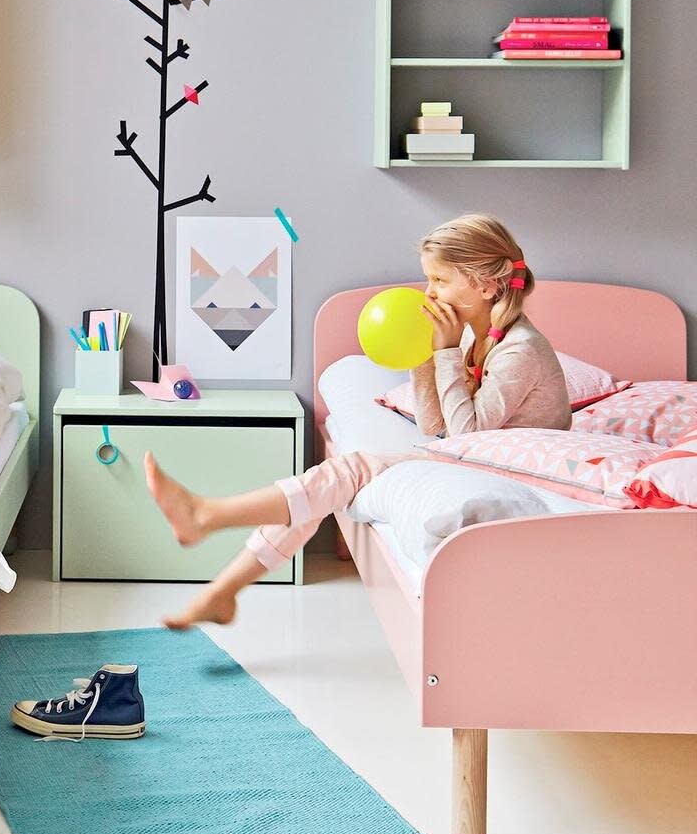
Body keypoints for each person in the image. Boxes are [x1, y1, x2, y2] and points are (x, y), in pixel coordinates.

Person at [145, 213, 571, 629]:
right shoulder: (475, 337)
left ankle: (208, 521)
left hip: (522, 469)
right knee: (336, 477)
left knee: (345, 472)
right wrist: (424, 354)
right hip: (481, 454)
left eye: (440, 280)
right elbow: (433, 425)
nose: (429, 292)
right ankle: (220, 584)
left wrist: (443, 354)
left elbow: (465, 435)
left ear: (486, 285)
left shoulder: (520, 349)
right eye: (429, 279)